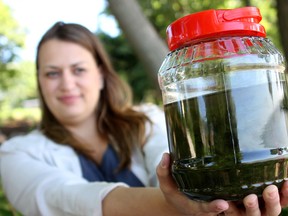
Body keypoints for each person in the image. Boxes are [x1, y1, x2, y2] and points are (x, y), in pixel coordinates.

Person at [0, 21, 288, 216]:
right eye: (52, 73)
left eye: (78, 70)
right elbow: (65, 198)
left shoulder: (147, 121)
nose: (66, 83)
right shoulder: (16, 154)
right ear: (39, 81)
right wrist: (181, 208)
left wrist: (216, 198)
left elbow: (168, 167)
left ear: (101, 75)